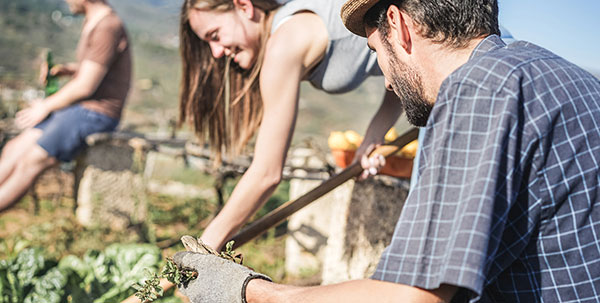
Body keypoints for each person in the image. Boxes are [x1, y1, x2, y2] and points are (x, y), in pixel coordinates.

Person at [170, 0, 600, 302]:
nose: (385, 78)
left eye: (376, 51)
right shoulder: (562, 75)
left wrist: (246, 290)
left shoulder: (476, 95)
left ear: (399, 25)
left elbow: (409, 297)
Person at [178, 0, 404, 253]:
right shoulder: (289, 28)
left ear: (243, 6)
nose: (216, 52)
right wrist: (374, 135)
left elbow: (267, 174)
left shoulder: (283, 46)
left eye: (215, 35)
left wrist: (203, 247)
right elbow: (404, 63)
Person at [0, 0, 131, 212]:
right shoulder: (95, 20)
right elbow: (97, 66)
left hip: (96, 113)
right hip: (80, 109)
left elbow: (85, 86)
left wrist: (45, 106)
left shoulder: (107, 26)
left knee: (31, 161)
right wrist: (68, 70)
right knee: (13, 148)